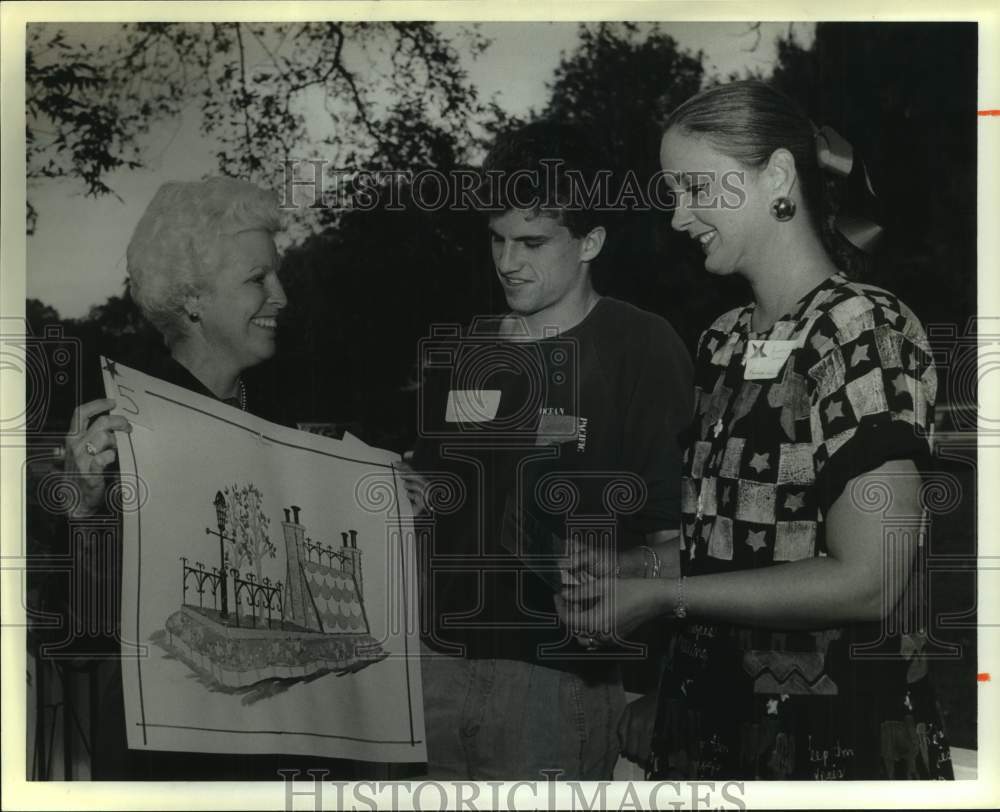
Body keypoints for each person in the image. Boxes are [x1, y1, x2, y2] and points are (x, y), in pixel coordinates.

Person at [559, 80, 954, 780]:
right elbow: (740, 550)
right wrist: (630, 571)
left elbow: (869, 579)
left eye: (696, 188)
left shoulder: (861, 329)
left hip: (829, 742)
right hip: (711, 728)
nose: (679, 217)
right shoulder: (722, 341)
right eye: (673, 193)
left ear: (776, 175)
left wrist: (660, 595)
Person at [402, 121, 694, 780]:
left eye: (532, 242)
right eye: (498, 240)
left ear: (590, 241)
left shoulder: (640, 346)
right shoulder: (467, 349)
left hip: (558, 687)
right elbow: (428, 496)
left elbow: (683, 538)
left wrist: (659, 685)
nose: (508, 262)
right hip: (433, 669)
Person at [57, 177, 350, 779]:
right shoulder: (120, 432)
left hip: (281, 752)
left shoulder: (286, 418)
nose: (283, 296)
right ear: (192, 299)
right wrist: (84, 508)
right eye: (257, 280)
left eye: (278, 274)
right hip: (174, 764)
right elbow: (85, 639)